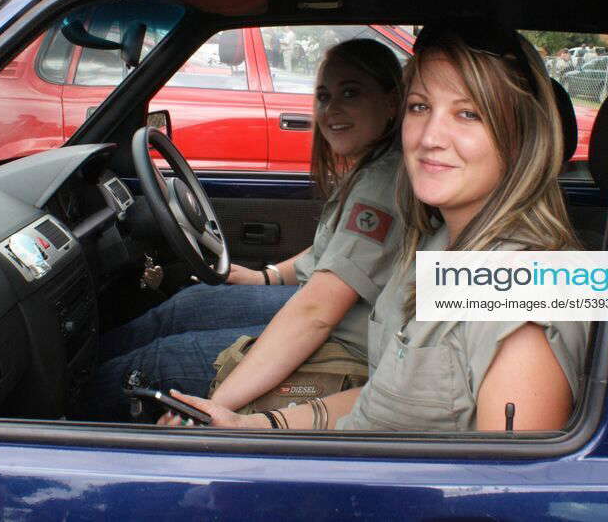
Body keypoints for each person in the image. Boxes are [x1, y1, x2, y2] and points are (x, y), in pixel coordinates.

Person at [162, 21, 590, 431]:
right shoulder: (437, 245)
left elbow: (508, 492)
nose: (429, 137)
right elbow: (384, 401)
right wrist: (252, 424)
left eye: (469, 114)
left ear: (521, 138)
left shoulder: (524, 300)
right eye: (420, 107)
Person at [80, 38, 405, 421]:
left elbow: (318, 310)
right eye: (323, 96)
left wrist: (222, 404)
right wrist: (265, 277)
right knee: (188, 306)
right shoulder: (373, 169)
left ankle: (54, 415)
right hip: (345, 322)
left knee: (157, 362)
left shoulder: (385, 184)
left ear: (391, 102)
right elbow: (332, 252)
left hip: (349, 342)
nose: (331, 109)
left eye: (351, 93)